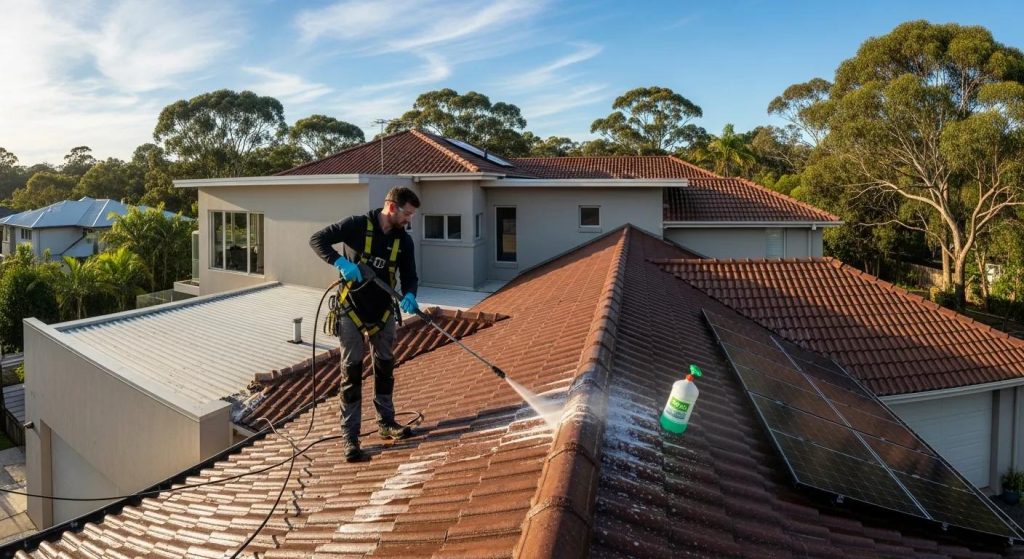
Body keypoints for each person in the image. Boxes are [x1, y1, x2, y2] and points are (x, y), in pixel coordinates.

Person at [310, 187, 421, 462]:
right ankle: (350, 437)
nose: (409, 220)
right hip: (352, 310)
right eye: (407, 213)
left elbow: (411, 276)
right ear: (392, 207)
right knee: (352, 372)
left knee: (384, 367)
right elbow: (318, 239)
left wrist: (410, 294)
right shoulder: (356, 225)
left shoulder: (403, 242)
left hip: (383, 311)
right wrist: (339, 262)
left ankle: (386, 422)